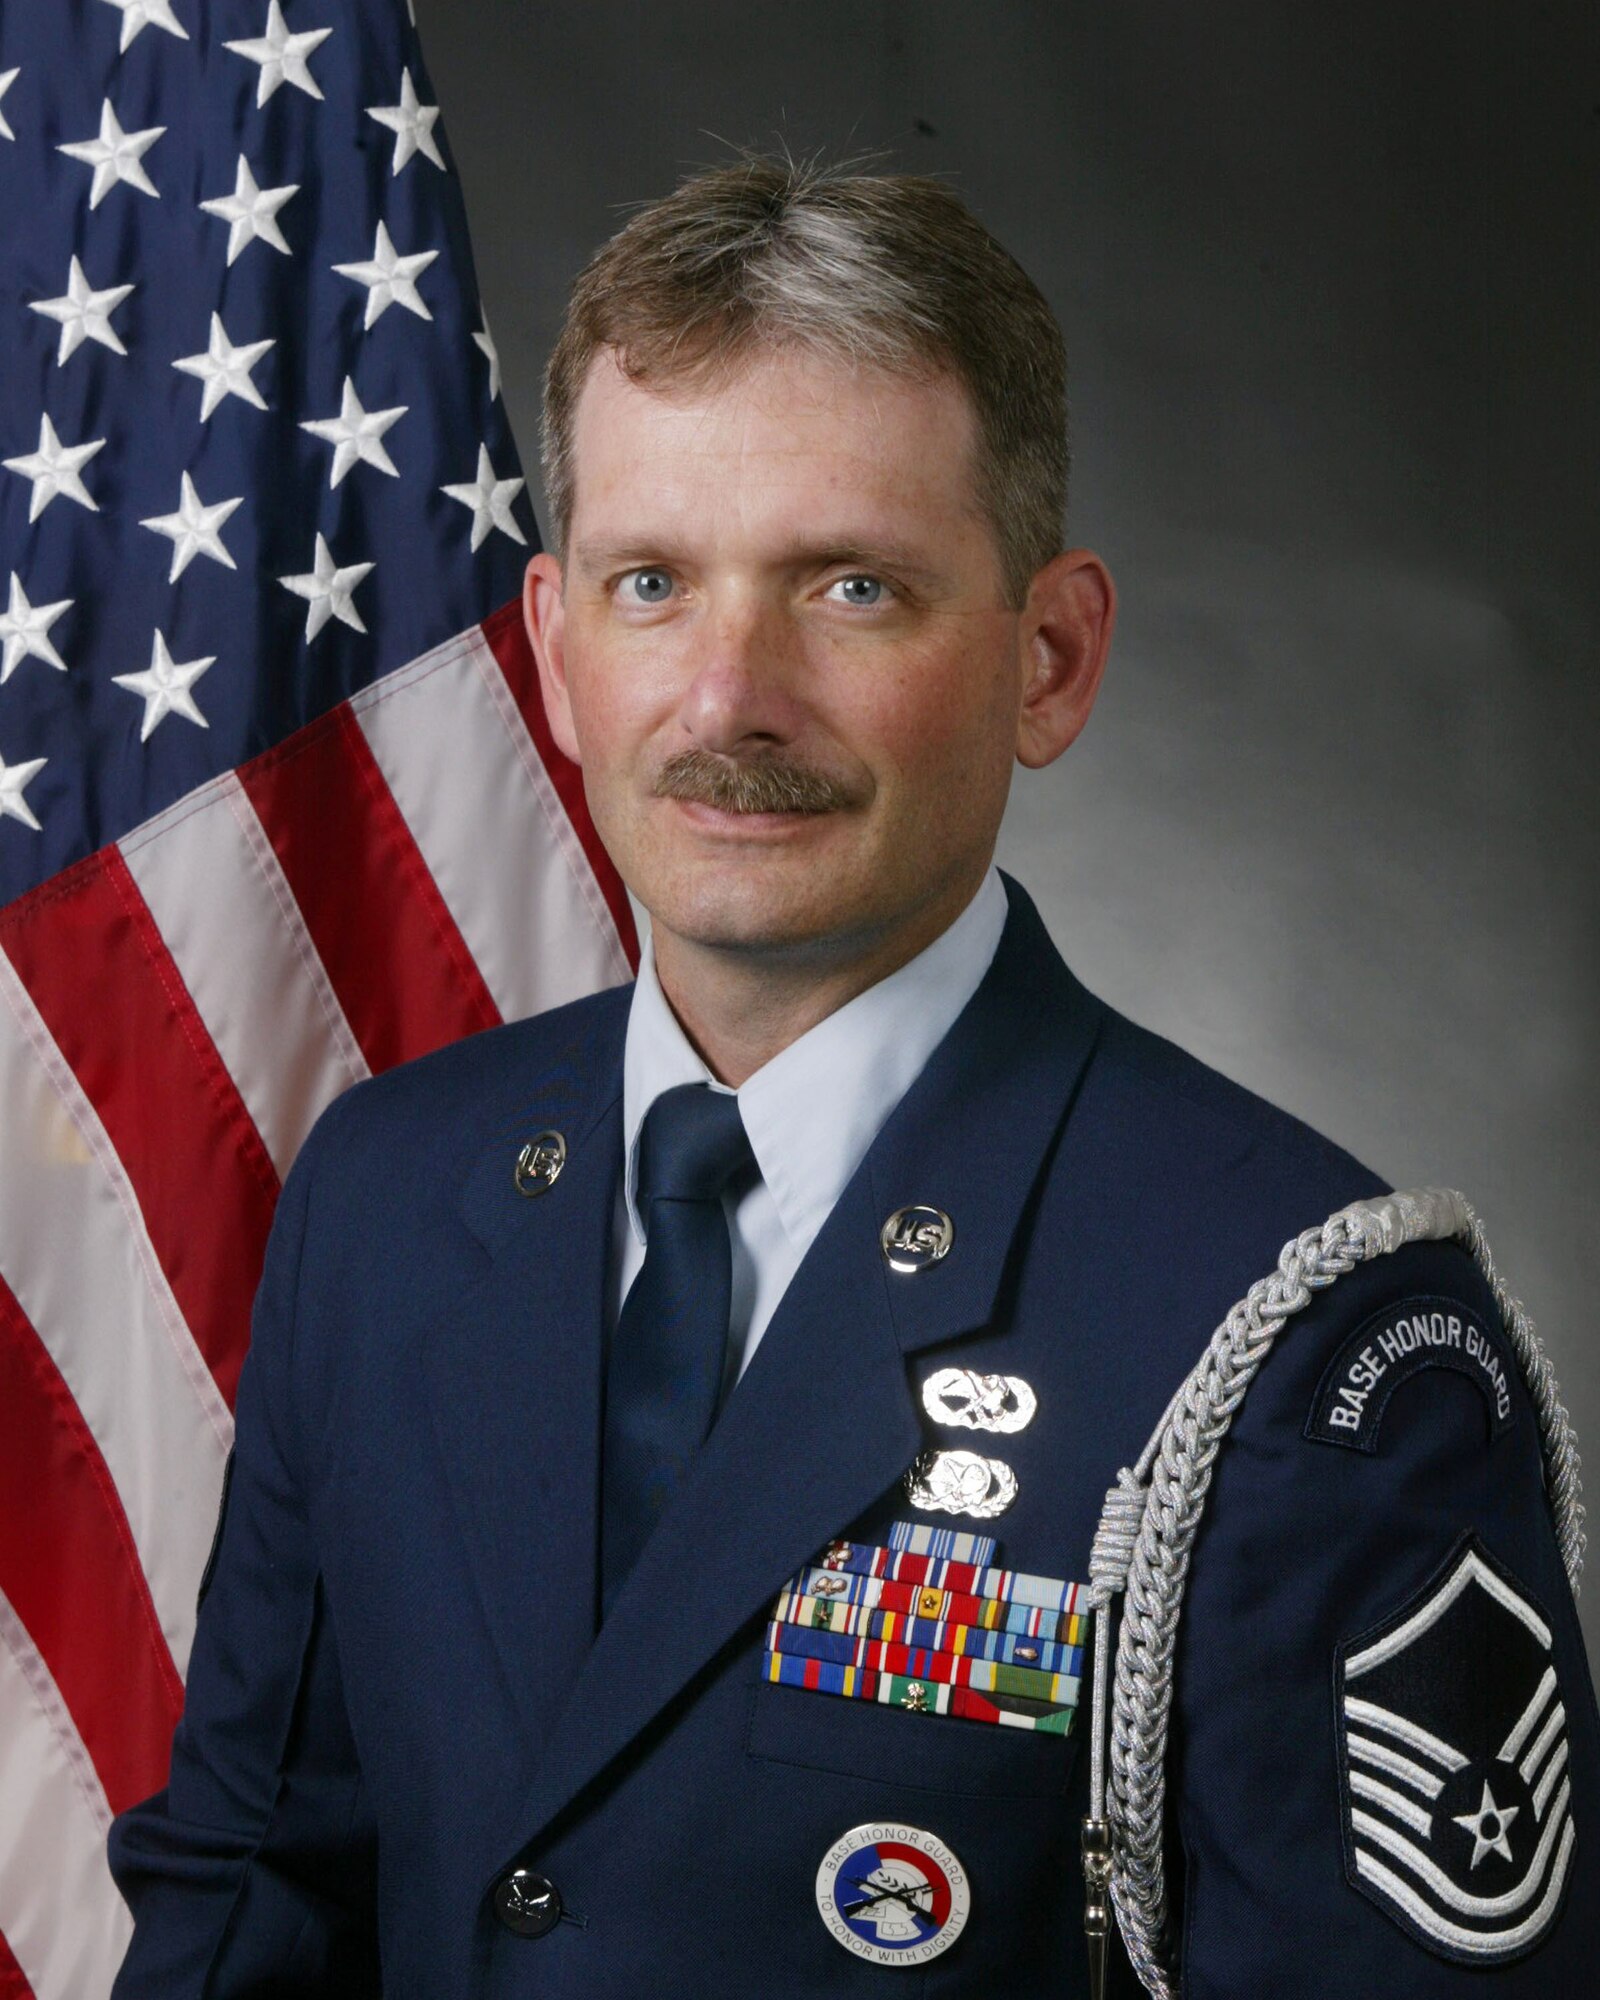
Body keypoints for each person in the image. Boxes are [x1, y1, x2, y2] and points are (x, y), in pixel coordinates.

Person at [107, 154, 1599, 1998]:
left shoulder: (1312, 1345)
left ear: (1047, 662)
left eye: (854, 588)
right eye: (652, 584)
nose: (729, 696)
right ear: (557, 658)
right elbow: (252, 1913)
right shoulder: (392, 1195)